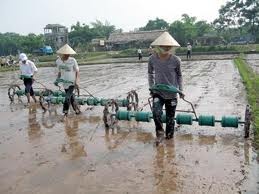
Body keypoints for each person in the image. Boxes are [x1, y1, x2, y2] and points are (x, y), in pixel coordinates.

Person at [148, 32, 184, 142]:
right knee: (156, 113)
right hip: (158, 92)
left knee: (170, 118)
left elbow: (179, 75)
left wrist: (181, 90)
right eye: (164, 46)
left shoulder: (176, 60)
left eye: (169, 46)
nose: (167, 48)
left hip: (172, 93)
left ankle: (169, 136)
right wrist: (151, 87)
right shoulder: (152, 59)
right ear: (158, 46)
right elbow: (150, 74)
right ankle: (159, 132)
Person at [55, 44, 80, 116]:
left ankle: (65, 112)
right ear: (62, 54)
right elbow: (59, 72)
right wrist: (57, 80)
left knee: (67, 97)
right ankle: (77, 110)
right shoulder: (58, 61)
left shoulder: (73, 60)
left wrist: (77, 81)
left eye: (69, 54)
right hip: (64, 82)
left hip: (72, 82)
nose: (68, 55)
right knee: (71, 97)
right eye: (66, 54)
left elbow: (77, 71)